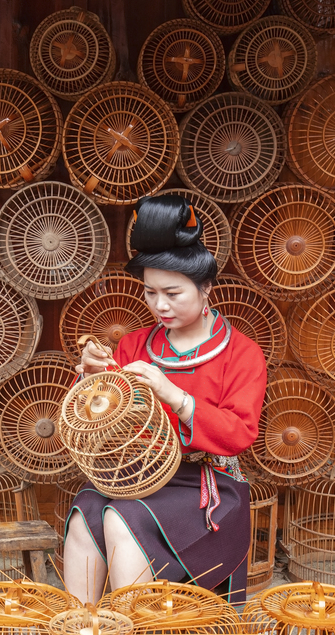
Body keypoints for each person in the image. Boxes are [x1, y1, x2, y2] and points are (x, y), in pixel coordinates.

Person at [63, 193, 268, 604]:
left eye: (173, 293)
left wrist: (175, 395)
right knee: (85, 515)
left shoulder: (241, 352)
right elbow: (101, 417)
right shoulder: (136, 344)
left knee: (122, 519)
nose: (160, 305)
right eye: (150, 292)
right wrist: (92, 375)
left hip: (206, 481)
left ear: (206, 287)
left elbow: (241, 433)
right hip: (135, 471)